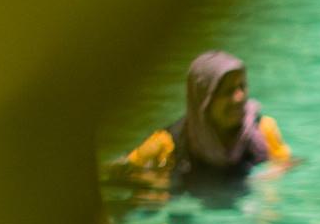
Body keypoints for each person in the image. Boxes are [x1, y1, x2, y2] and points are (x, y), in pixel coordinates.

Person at [124, 50, 293, 186]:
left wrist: (269, 178)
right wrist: (157, 184)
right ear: (203, 101)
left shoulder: (262, 129)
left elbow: (285, 163)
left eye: (242, 86)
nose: (240, 97)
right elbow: (127, 170)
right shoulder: (167, 143)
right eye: (228, 92)